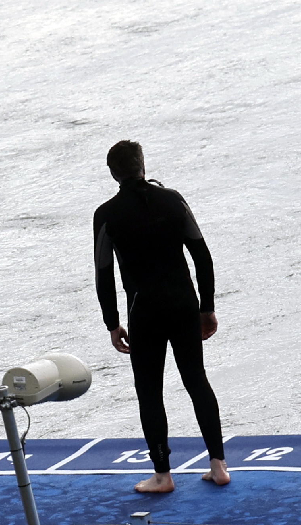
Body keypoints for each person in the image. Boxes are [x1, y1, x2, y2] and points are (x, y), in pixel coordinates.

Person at [94, 140, 230, 493]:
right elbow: (202, 255)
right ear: (142, 165)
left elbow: (103, 273)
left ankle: (163, 475)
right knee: (196, 380)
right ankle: (218, 465)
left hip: (145, 311)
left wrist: (112, 323)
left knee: (150, 391)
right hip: (184, 304)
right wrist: (207, 306)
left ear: (113, 173)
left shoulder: (106, 214)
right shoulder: (173, 200)